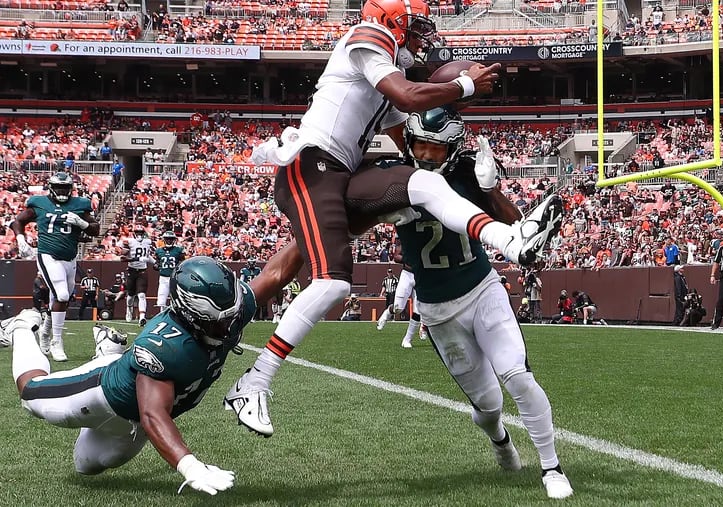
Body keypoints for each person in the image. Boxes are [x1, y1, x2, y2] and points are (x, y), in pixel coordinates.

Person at [226, 0, 564, 435]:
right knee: (332, 282)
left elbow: (416, 142)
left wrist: (457, 131)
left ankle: (510, 240)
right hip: (311, 166)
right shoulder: (369, 39)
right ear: (394, 23)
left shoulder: (383, 82)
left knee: (423, 185)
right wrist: (463, 85)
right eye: (416, 30)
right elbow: (408, 95)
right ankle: (255, 380)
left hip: (339, 175)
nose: (421, 41)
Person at [0, 245, 302, 495]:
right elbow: (153, 414)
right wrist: (189, 466)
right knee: (31, 394)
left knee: (87, 466)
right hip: (106, 393)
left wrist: (314, 230)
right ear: (190, 313)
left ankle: (109, 350)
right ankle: (21, 327)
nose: (229, 326)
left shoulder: (230, 307)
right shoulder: (165, 344)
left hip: (136, 416)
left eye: (232, 315)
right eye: (217, 321)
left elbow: (275, 273)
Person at [390, 107, 572, 498]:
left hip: (481, 288)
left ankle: (552, 467)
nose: (426, 156)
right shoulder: (392, 178)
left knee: (518, 376)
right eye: (420, 146)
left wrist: (489, 190)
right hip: (439, 311)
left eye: (437, 150)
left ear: (454, 149)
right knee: (488, 406)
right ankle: (501, 439)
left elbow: (518, 226)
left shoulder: (466, 172)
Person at [12, 172, 100, 361]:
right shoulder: (39, 203)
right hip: (48, 255)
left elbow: (95, 229)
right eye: (59, 188)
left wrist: (81, 222)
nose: (62, 191)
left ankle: (45, 330)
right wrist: (21, 239)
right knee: (61, 295)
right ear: (51, 187)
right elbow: (18, 221)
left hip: (70, 258)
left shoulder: (80, 204)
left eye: (66, 188)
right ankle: (56, 342)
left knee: (64, 298)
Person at [120, 224, 153, 326]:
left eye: (141, 233)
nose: (139, 235)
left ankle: (142, 317)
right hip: (132, 270)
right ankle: (129, 309)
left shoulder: (148, 242)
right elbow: (122, 258)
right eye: (137, 233)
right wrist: (136, 259)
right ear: (134, 233)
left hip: (142, 271)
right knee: (130, 295)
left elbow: (148, 256)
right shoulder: (129, 241)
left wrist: (155, 262)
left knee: (142, 294)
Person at [153, 230, 185, 312]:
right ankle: (161, 315)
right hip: (163, 277)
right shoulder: (159, 251)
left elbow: (182, 264)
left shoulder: (178, 250)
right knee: (161, 298)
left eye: (171, 239)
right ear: (164, 239)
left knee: (175, 297)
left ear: (174, 240)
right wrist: (156, 266)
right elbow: (157, 263)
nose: (169, 241)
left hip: (174, 277)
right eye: (167, 239)